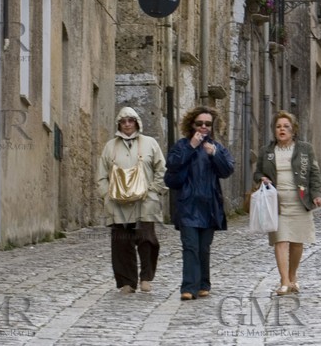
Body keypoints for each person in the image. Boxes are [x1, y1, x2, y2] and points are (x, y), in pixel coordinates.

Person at [164, 107, 234, 300]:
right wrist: (191, 147)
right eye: (199, 123)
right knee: (190, 246)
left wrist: (214, 154)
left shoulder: (216, 147)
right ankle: (188, 288)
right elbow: (172, 164)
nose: (203, 127)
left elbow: (227, 170)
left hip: (209, 206)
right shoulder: (182, 145)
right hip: (188, 205)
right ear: (191, 125)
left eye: (208, 124)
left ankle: (203, 284)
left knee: (203, 248)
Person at [96, 106, 166, 293]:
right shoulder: (110, 147)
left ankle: (146, 278)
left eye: (131, 120)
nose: (127, 124)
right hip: (117, 204)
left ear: (137, 122)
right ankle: (127, 282)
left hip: (145, 202)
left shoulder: (150, 143)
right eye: (123, 121)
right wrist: (107, 195)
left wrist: (153, 191)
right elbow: (101, 175)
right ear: (119, 123)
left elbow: (161, 169)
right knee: (122, 243)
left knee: (147, 240)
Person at [252, 111, 321, 296]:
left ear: (293, 130)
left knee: (297, 243)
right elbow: (257, 173)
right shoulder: (266, 152)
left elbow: (314, 173)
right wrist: (262, 179)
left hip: (300, 201)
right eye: (278, 127)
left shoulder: (305, 149)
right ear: (274, 130)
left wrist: (316, 194)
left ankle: (292, 276)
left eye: (286, 126)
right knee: (280, 241)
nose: (282, 129)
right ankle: (284, 281)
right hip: (277, 203)